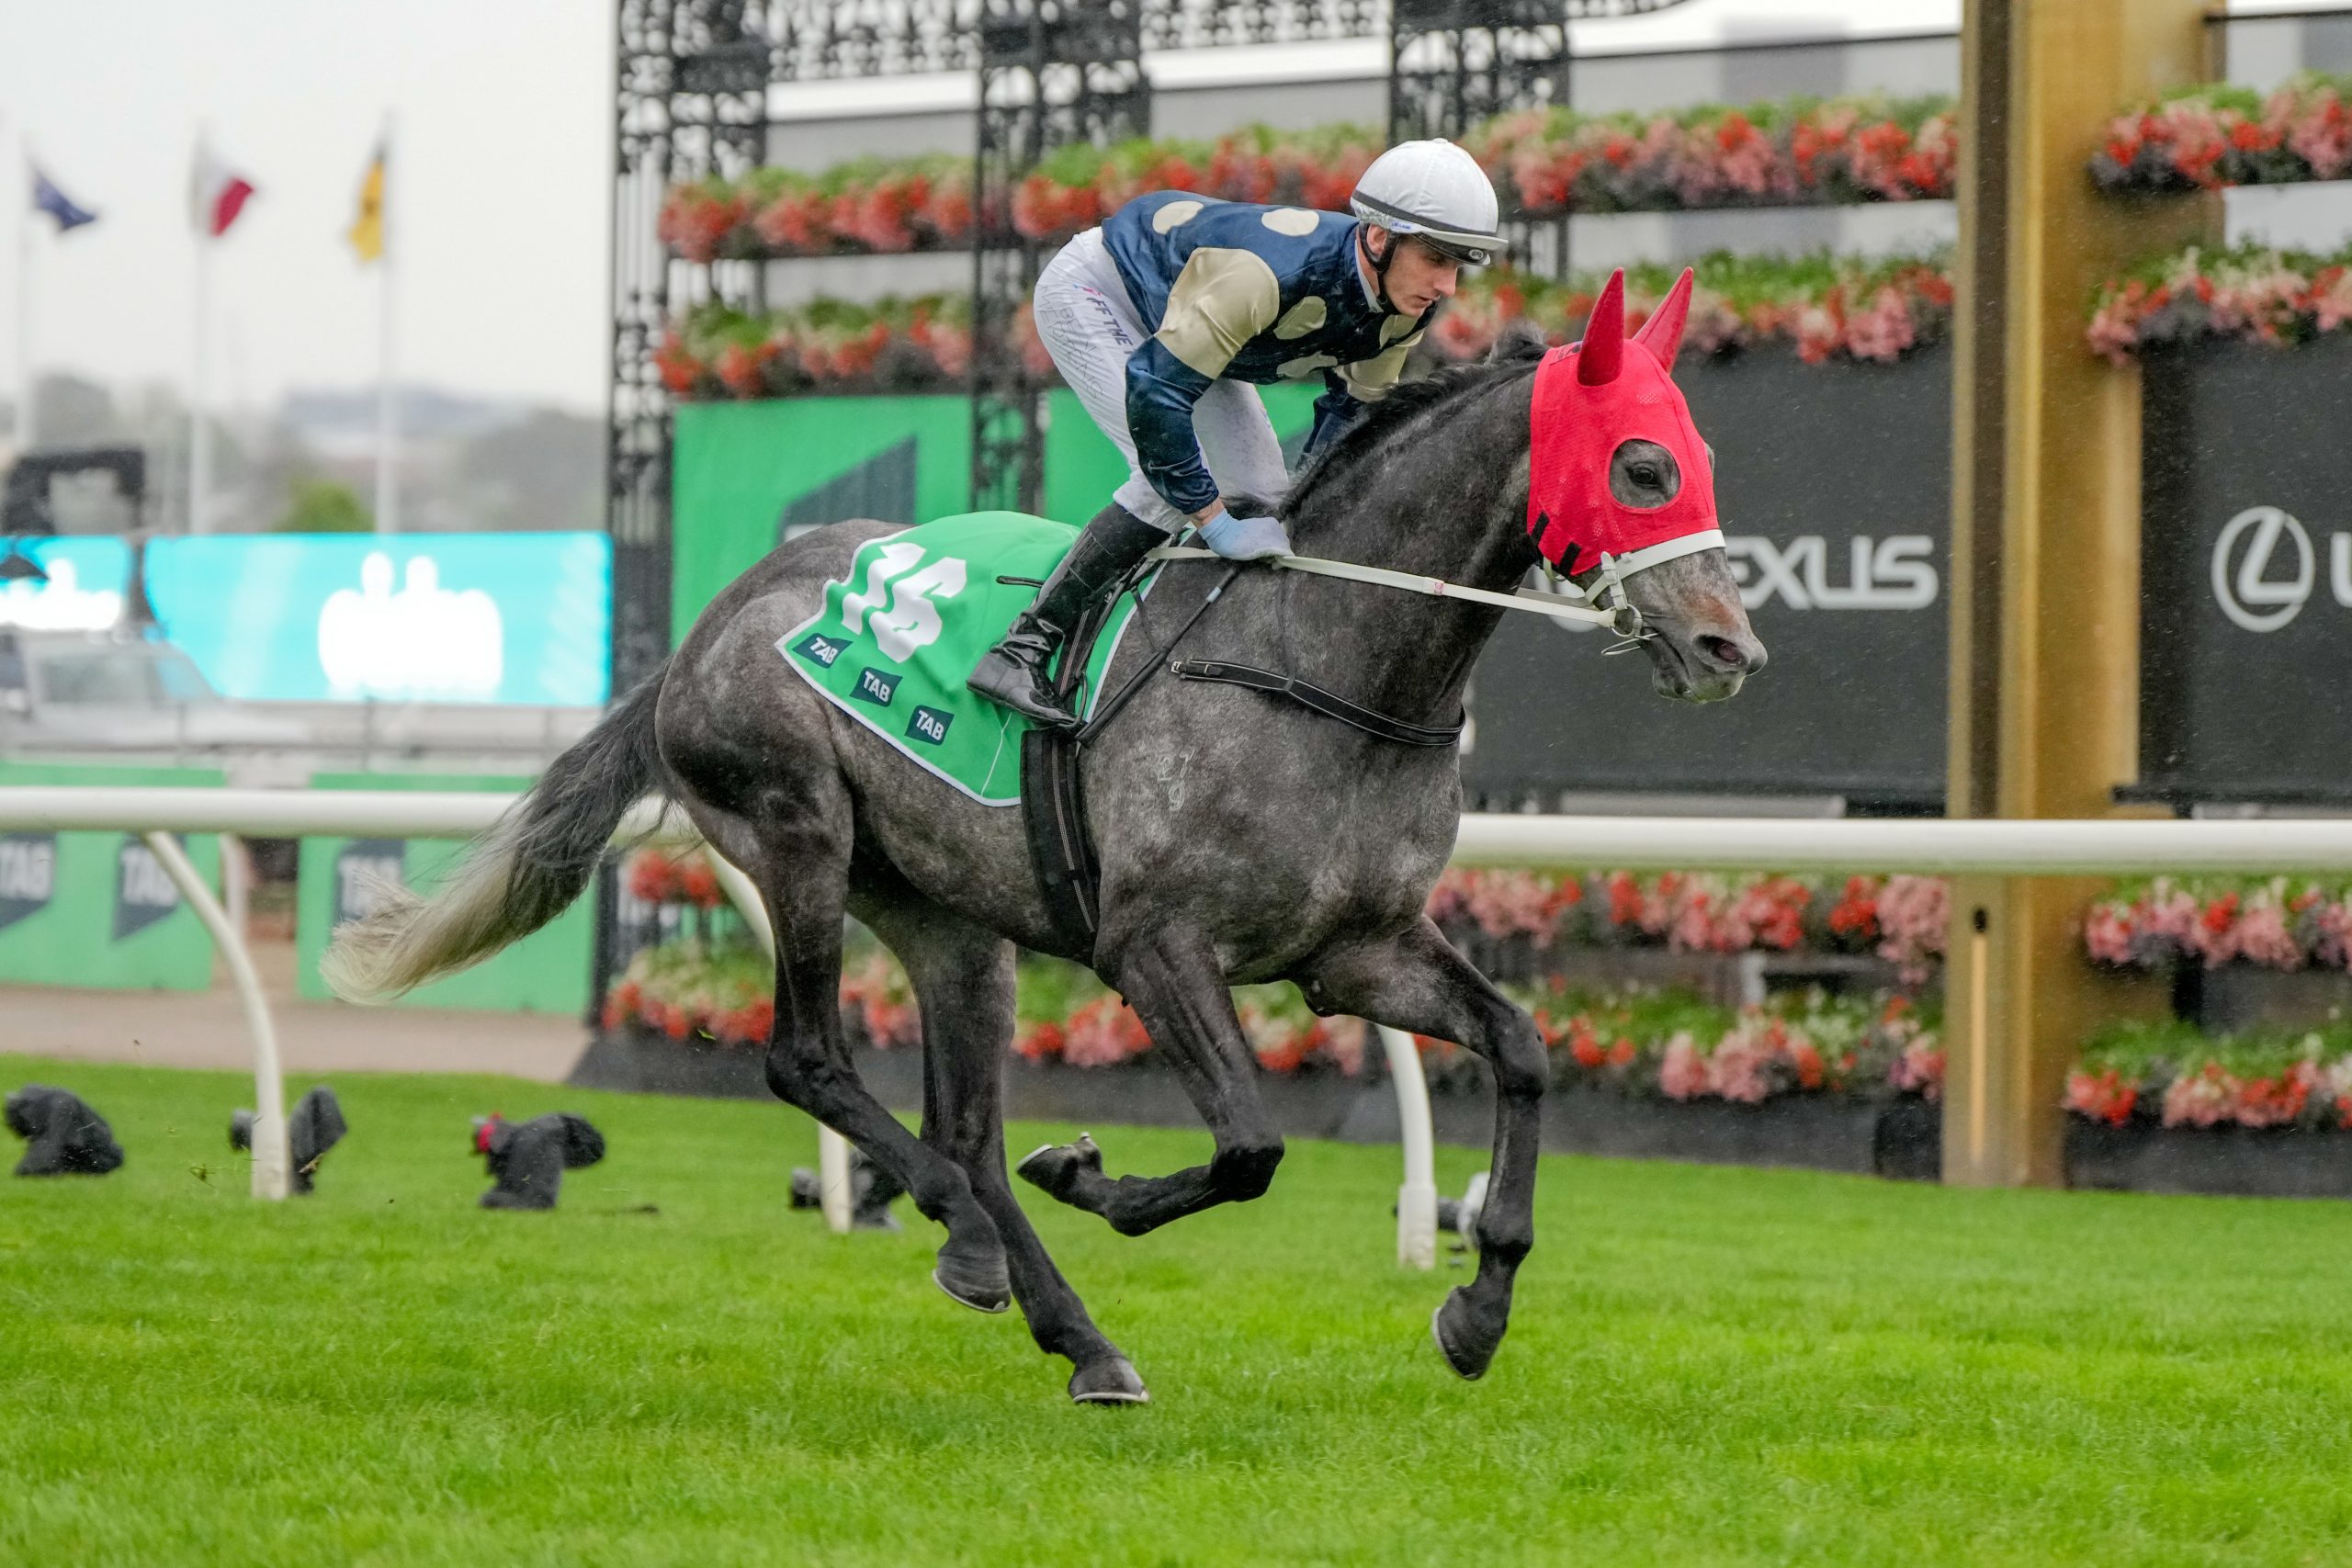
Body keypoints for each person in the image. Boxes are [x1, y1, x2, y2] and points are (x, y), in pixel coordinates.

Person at [967, 139, 1502, 728]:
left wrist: (1306, 514)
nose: (1448, 287)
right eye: (1437, 260)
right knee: (1168, 482)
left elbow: (1349, 415)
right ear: (1380, 239)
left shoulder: (1407, 306)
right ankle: (1021, 647)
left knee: (1267, 495)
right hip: (1098, 291)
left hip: (1191, 327)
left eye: (1458, 265)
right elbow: (1157, 394)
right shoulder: (1265, 275)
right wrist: (1213, 521)